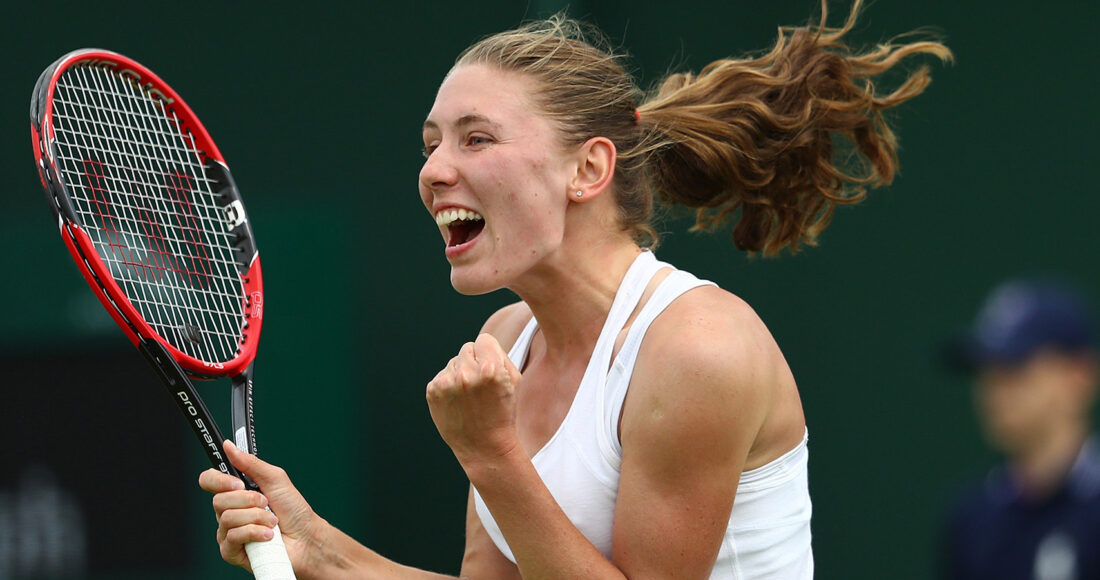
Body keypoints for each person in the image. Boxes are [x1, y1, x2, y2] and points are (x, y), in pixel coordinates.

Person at [201, 2, 950, 577]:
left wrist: (493, 455)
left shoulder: (697, 346)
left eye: (476, 138)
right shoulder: (503, 345)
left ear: (588, 170)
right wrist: (318, 550)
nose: (432, 172)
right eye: (431, 145)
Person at [941, 279, 1100, 580]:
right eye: (985, 372)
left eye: (1016, 367)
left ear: (1080, 375)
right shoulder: (972, 520)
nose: (995, 391)